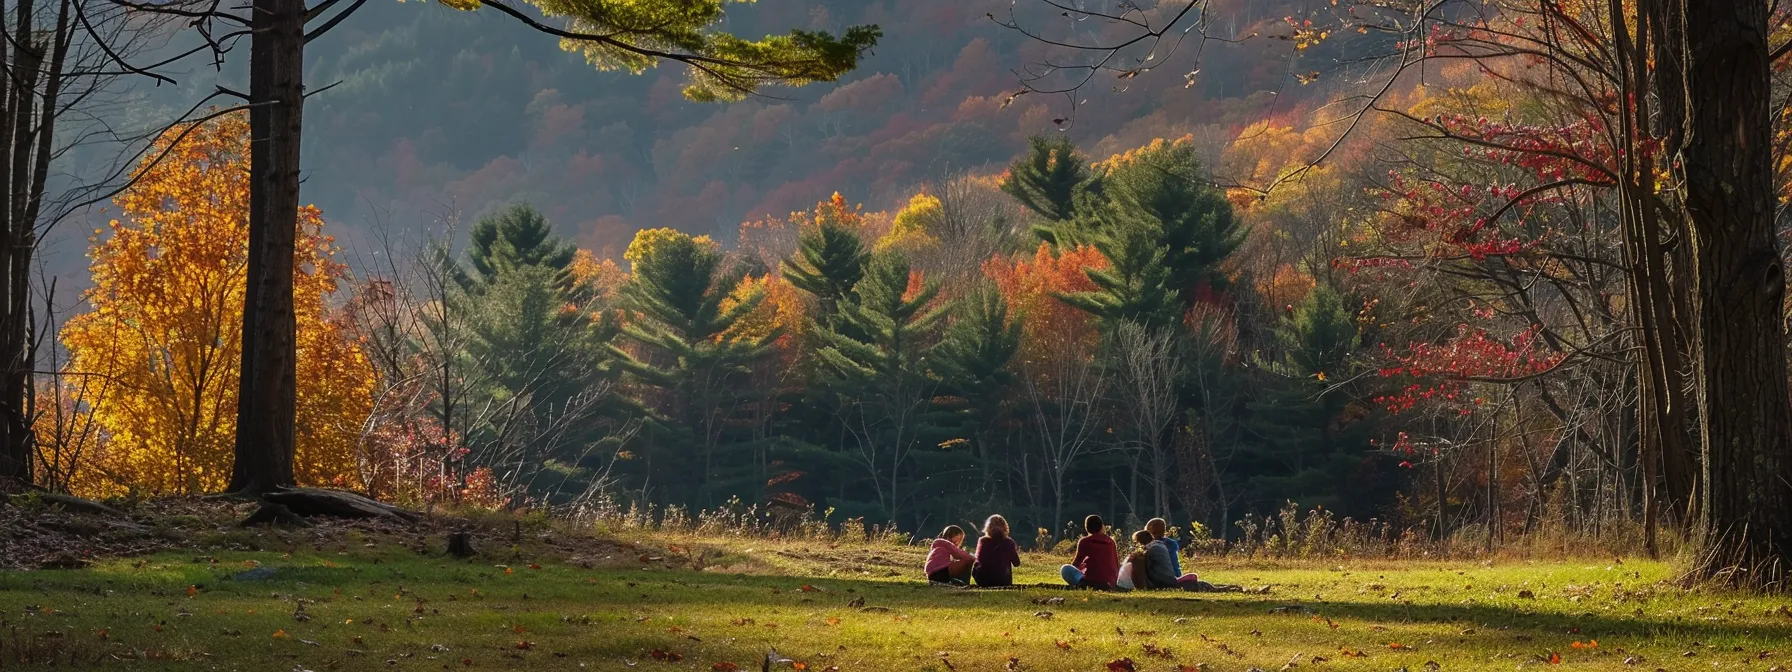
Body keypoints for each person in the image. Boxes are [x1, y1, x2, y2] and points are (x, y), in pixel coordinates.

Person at [1059, 514, 1119, 590]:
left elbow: (1076, 563)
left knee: (1065, 568)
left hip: (1090, 582)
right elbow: (1116, 564)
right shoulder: (1111, 542)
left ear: (1087, 528)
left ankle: (1081, 585)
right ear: (1101, 526)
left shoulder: (1084, 541)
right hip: (1109, 583)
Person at [971, 514, 1020, 587]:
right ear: (1005, 528)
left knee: (975, 563)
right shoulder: (1009, 542)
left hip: (984, 580)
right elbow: (1016, 563)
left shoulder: (982, 541)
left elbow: (978, 559)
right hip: (1003, 581)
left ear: (987, 527)